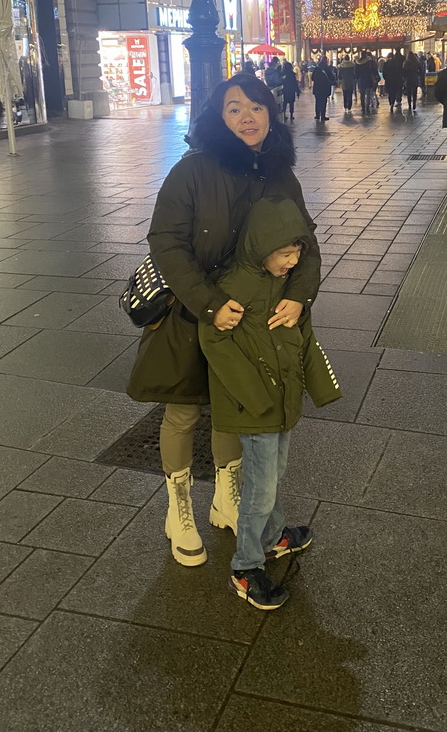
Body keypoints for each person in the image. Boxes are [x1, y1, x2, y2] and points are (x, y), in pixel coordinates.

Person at [126, 73, 321, 566]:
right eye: (234, 109)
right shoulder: (192, 171)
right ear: (219, 117)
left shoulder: (279, 172)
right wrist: (209, 304)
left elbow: (308, 242)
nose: (247, 117)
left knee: (234, 406)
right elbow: (166, 242)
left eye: (255, 107)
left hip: (256, 317)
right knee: (185, 409)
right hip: (197, 311)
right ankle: (179, 510)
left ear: (271, 114)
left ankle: (226, 498)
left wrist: (298, 296)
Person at [199, 195, 341, 609]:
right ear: (261, 247)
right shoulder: (238, 286)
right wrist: (254, 395)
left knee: (274, 472)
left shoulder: (283, 284)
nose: (292, 261)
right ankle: (245, 568)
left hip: (280, 398)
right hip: (256, 405)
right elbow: (214, 339)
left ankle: (274, 535)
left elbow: (302, 333)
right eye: (284, 253)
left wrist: (316, 384)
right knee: (260, 487)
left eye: (297, 252)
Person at [311, 55, 332, 121]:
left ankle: (317, 115)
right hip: (324, 88)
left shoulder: (316, 68)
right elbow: (332, 78)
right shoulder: (327, 69)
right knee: (323, 101)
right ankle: (323, 115)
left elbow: (312, 78)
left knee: (317, 101)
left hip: (317, 88)